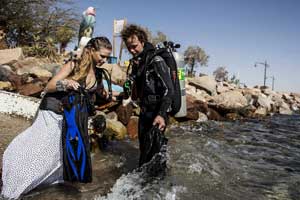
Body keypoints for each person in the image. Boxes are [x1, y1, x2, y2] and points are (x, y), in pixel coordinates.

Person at [1, 36, 112, 199]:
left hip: (71, 117)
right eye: (102, 56)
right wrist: (66, 83)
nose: (105, 60)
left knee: (58, 153)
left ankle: (42, 183)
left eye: (107, 57)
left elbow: (95, 94)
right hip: (52, 112)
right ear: (91, 50)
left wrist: (109, 94)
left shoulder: (99, 73)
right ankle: (13, 186)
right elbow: (49, 86)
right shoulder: (73, 64)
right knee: (38, 148)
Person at [120, 24, 174, 167]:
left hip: (157, 113)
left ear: (142, 41)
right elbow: (130, 84)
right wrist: (126, 91)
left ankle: (159, 187)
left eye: (134, 46)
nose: (131, 50)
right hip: (144, 113)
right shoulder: (137, 63)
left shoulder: (156, 61)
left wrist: (161, 114)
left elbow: (169, 89)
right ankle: (143, 184)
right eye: (129, 47)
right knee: (144, 153)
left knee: (155, 158)